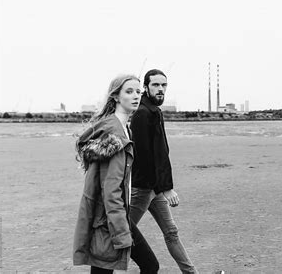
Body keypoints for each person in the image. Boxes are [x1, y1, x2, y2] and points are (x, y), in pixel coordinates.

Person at [73, 74, 160, 274]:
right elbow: (111, 190)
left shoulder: (122, 128)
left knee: (106, 268)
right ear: (116, 97)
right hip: (109, 219)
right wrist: (120, 231)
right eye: (129, 92)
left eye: (138, 91)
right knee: (150, 265)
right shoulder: (115, 135)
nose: (136, 96)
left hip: (112, 216)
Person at [129, 69, 196, 274]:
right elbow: (147, 156)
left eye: (163, 85)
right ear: (146, 88)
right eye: (156, 85)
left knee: (171, 232)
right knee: (120, 232)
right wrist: (167, 188)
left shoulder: (154, 111)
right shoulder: (142, 113)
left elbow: (161, 152)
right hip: (142, 188)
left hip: (154, 187)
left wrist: (162, 187)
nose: (160, 89)